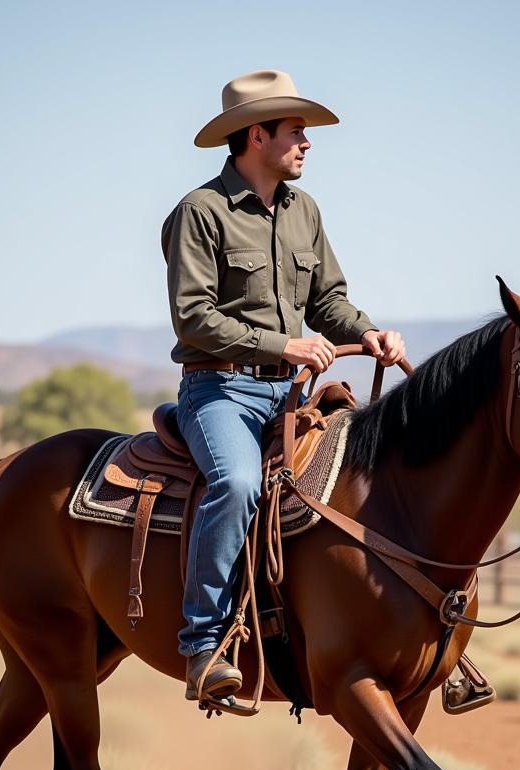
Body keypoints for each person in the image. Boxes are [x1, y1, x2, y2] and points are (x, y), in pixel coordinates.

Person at [162, 69, 404, 702]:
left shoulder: (305, 212)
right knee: (239, 482)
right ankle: (204, 645)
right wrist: (284, 345)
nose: (307, 142)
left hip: (291, 395)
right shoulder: (201, 212)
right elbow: (195, 317)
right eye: (296, 130)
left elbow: (329, 301)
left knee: (373, 481)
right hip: (220, 392)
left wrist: (372, 333)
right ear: (256, 134)